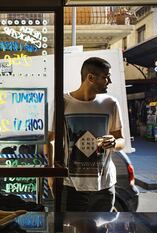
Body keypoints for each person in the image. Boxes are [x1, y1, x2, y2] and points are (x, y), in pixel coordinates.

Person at [48, 57, 125, 212]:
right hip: (71, 187)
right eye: (105, 77)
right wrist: (51, 176)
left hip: (105, 186)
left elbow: (121, 140)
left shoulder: (111, 103)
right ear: (90, 77)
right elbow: (50, 140)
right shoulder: (62, 102)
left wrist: (114, 143)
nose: (109, 81)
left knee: (102, 228)